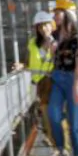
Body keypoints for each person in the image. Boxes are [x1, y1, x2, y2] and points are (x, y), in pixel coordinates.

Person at [48, 0, 78, 156]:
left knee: (75, 120)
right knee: (53, 114)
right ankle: (62, 149)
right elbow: (51, 55)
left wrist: (77, 86)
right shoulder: (55, 35)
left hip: (73, 79)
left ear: (67, 14)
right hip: (57, 77)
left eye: (57, 13)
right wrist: (51, 47)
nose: (55, 16)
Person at [25, 10, 58, 148]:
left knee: (55, 116)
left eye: (46, 25)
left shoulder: (57, 43)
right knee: (45, 115)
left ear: (52, 25)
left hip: (54, 82)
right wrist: (22, 65)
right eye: (40, 26)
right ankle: (54, 142)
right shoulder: (32, 43)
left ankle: (61, 147)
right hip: (40, 84)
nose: (44, 28)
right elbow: (28, 61)